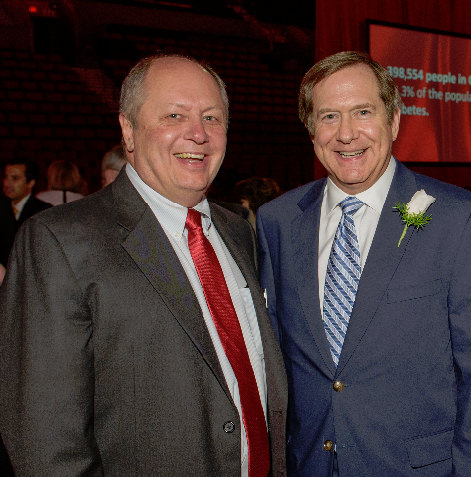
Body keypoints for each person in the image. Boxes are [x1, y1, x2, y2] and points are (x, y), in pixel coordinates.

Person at [0, 54, 287, 476]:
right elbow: (45, 442)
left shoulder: (237, 231)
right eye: (174, 115)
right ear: (128, 130)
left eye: (212, 118)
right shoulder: (58, 242)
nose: (198, 134)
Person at [257, 51, 471, 476]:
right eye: (329, 116)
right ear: (311, 129)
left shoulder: (459, 218)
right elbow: (278, 367)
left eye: (363, 112)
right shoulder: (277, 222)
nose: (347, 134)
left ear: (393, 121)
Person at [0, 158, 51, 266]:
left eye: (15, 178)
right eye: (5, 177)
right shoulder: (2, 205)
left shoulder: (42, 210)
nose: (7, 183)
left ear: (30, 183)